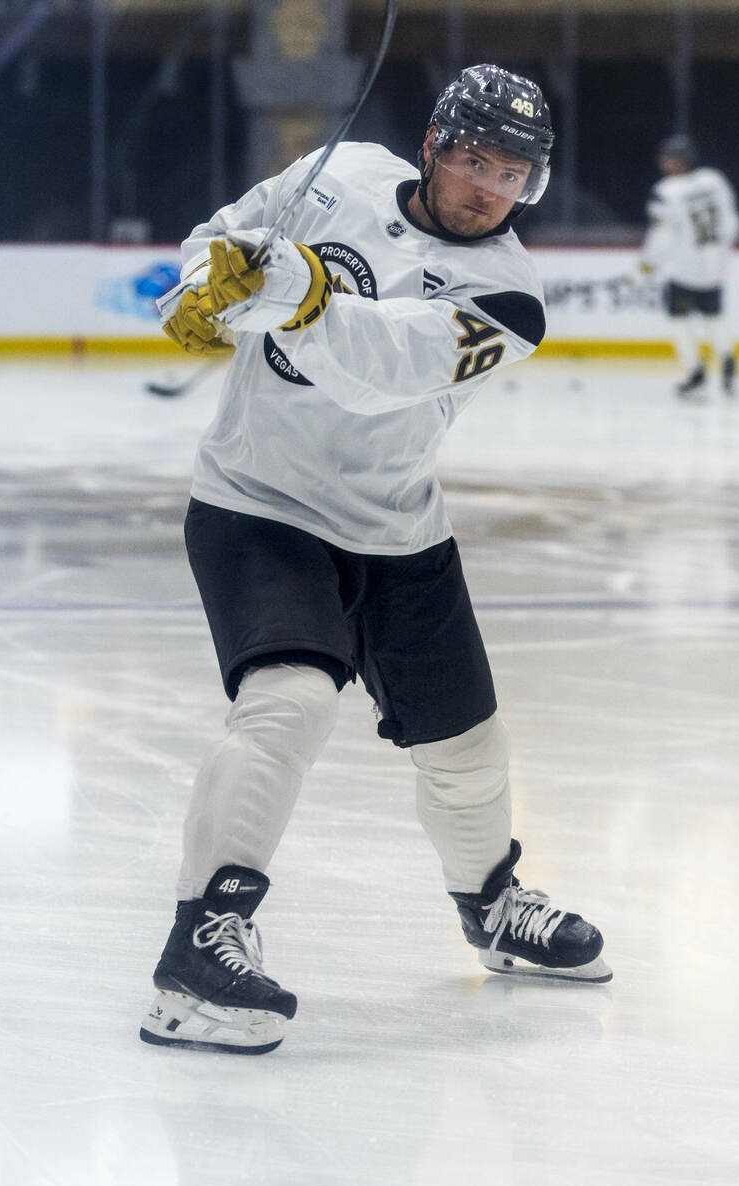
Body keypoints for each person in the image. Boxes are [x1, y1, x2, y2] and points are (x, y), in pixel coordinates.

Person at [139, 64, 611, 1056]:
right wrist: (201, 288)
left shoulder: (511, 297)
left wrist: (300, 291)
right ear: (436, 144)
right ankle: (198, 948)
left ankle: (491, 907)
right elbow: (218, 238)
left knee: (468, 742)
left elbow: (384, 370)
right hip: (257, 503)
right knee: (291, 701)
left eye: (516, 174)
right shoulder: (335, 171)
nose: (492, 188)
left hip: (398, 530)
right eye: (478, 159)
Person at [638, 134, 739, 398]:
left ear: (680, 161)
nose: (664, 163)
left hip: (683, 270)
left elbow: (663, 235)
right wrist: (718, 253)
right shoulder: (715, 180)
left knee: (678, 320)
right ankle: (728, 360)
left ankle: (695, 370)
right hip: (715, 267)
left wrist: (650, 261)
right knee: (714, 317)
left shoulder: (666, 191)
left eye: (669, 158)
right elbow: (731, 222)